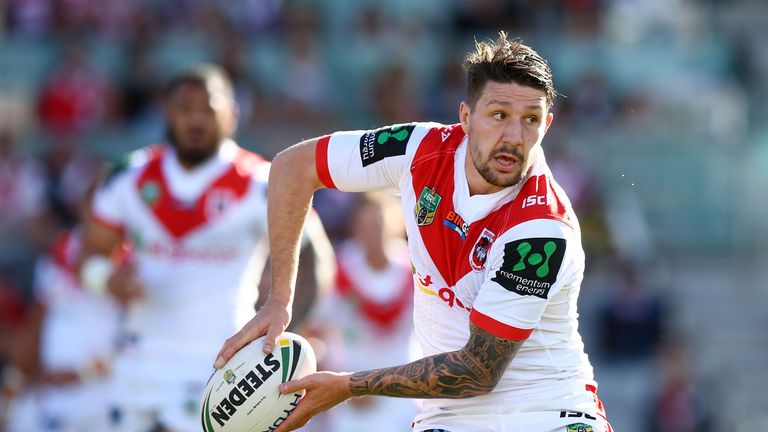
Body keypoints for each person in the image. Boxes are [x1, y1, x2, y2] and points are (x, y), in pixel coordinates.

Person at [215, 32, 613, 432]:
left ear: (547, 124)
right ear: (465, 117)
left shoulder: (542, 228)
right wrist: (277, 301)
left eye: (530, 120)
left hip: (549, 413)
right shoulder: (418, 149)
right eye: (498, 115)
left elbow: (476, 371)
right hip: (449, 415)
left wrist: (350, 385)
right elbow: (292, 168)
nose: (513, 137)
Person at [79, 64, 333, 432]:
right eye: (185, 108)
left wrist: (294, 326)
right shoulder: (128, 178)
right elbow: (89, 251)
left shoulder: (261, 183)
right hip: (139, 364)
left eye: (208, 110)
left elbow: (314, 257)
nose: (196, 119)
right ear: (167, 112)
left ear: (232, 113)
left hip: (222, 367)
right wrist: (106, 278)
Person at [308, 192, 419, 432]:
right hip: (351, 393)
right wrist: (340, 376)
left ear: (396, 225)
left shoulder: (417, 268)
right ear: (354, 228)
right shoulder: (337, 269)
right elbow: (314, 330)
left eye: (380, 224)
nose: (374, 234)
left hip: (403, 389)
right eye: (367, 226)